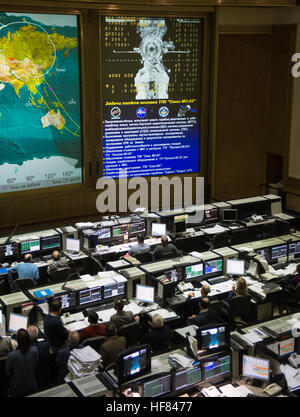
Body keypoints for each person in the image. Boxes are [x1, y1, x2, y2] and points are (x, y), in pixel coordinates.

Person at [5, 328, 39, 397]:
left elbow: (7, 372)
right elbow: (36, 365)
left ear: (18, 341)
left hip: (17, 388)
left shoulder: (12, 355)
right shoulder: (34, 350)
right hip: (31, 385)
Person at [27, 325, 52, 389]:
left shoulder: (26, 349)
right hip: (45, 375)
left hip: (32, 377)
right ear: (38, 335)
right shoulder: (45, 345)